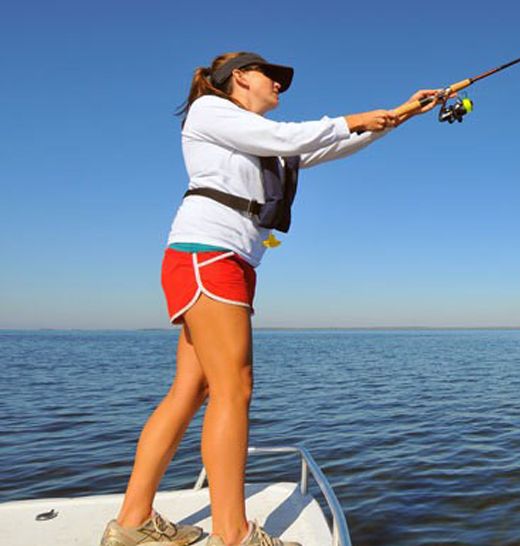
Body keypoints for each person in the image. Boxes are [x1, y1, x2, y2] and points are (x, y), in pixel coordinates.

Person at [99, 51, 441, 546]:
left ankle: (132, 523)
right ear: (239, 77)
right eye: (271, 76)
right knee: (233, 390)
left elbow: (332, 145)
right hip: (209, 255)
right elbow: (295, 135)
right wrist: (352, 116)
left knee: (191, 391)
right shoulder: (212, 112)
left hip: (219, 260)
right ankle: (233, 534)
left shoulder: (261, 142)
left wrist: (401, 113)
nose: (280, 85)